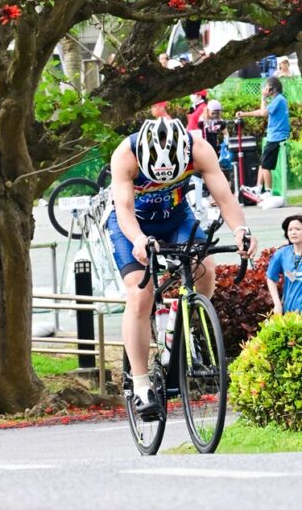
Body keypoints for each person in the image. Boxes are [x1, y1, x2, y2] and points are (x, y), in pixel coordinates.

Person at [108, 116, 257, 419]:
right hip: (133, 223)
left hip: (176, 217)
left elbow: (225, 198)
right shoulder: (125, 155)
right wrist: (138, 239)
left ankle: (189, 324)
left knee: (205, 267)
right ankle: (140, 385)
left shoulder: (199, 149)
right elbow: (123, 209)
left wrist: (241, 231)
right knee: (140, 294)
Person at [237, 76, 290, 195]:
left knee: (266, 167)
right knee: (262, 163)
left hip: (277, 136)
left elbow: (263, 113)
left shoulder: (278, 100)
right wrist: (244, 114)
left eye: (266, 87)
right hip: (274, 135)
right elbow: (262, 112)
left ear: (273, 89)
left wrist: (263, 98)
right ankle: (258, 187)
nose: (264, 89)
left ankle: (268, 191)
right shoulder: (278, 99)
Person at [266, 214, 302, 315]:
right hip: (290, 313)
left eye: (298, 229)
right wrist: (277, 303)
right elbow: (270, 277)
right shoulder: (282, 254)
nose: (293, 232)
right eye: (290, 229)